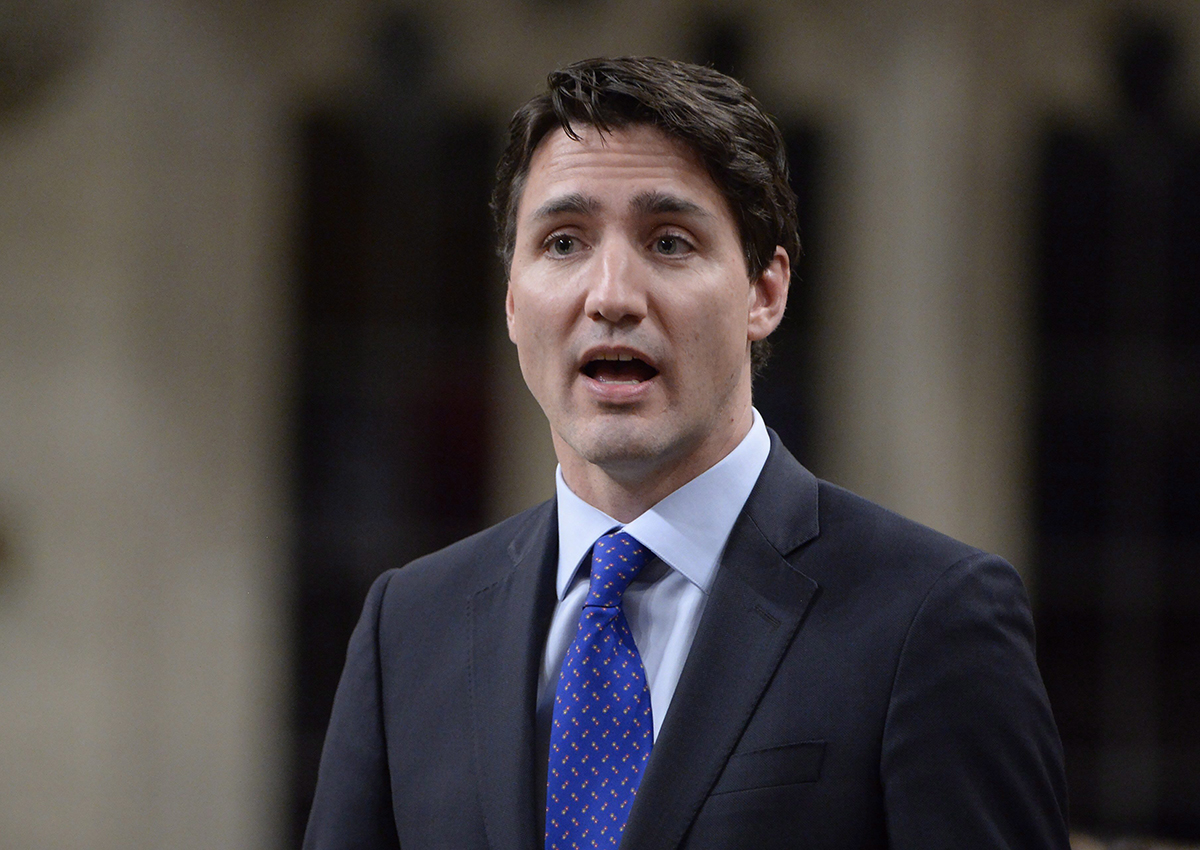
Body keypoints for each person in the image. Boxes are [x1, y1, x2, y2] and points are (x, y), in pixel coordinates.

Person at [303, 56, 1070, 850]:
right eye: (563, 243)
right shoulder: (409, 628)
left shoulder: (930, 618)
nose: (610, 296)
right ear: (510, 298)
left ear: (764, 292)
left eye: (669, 242)